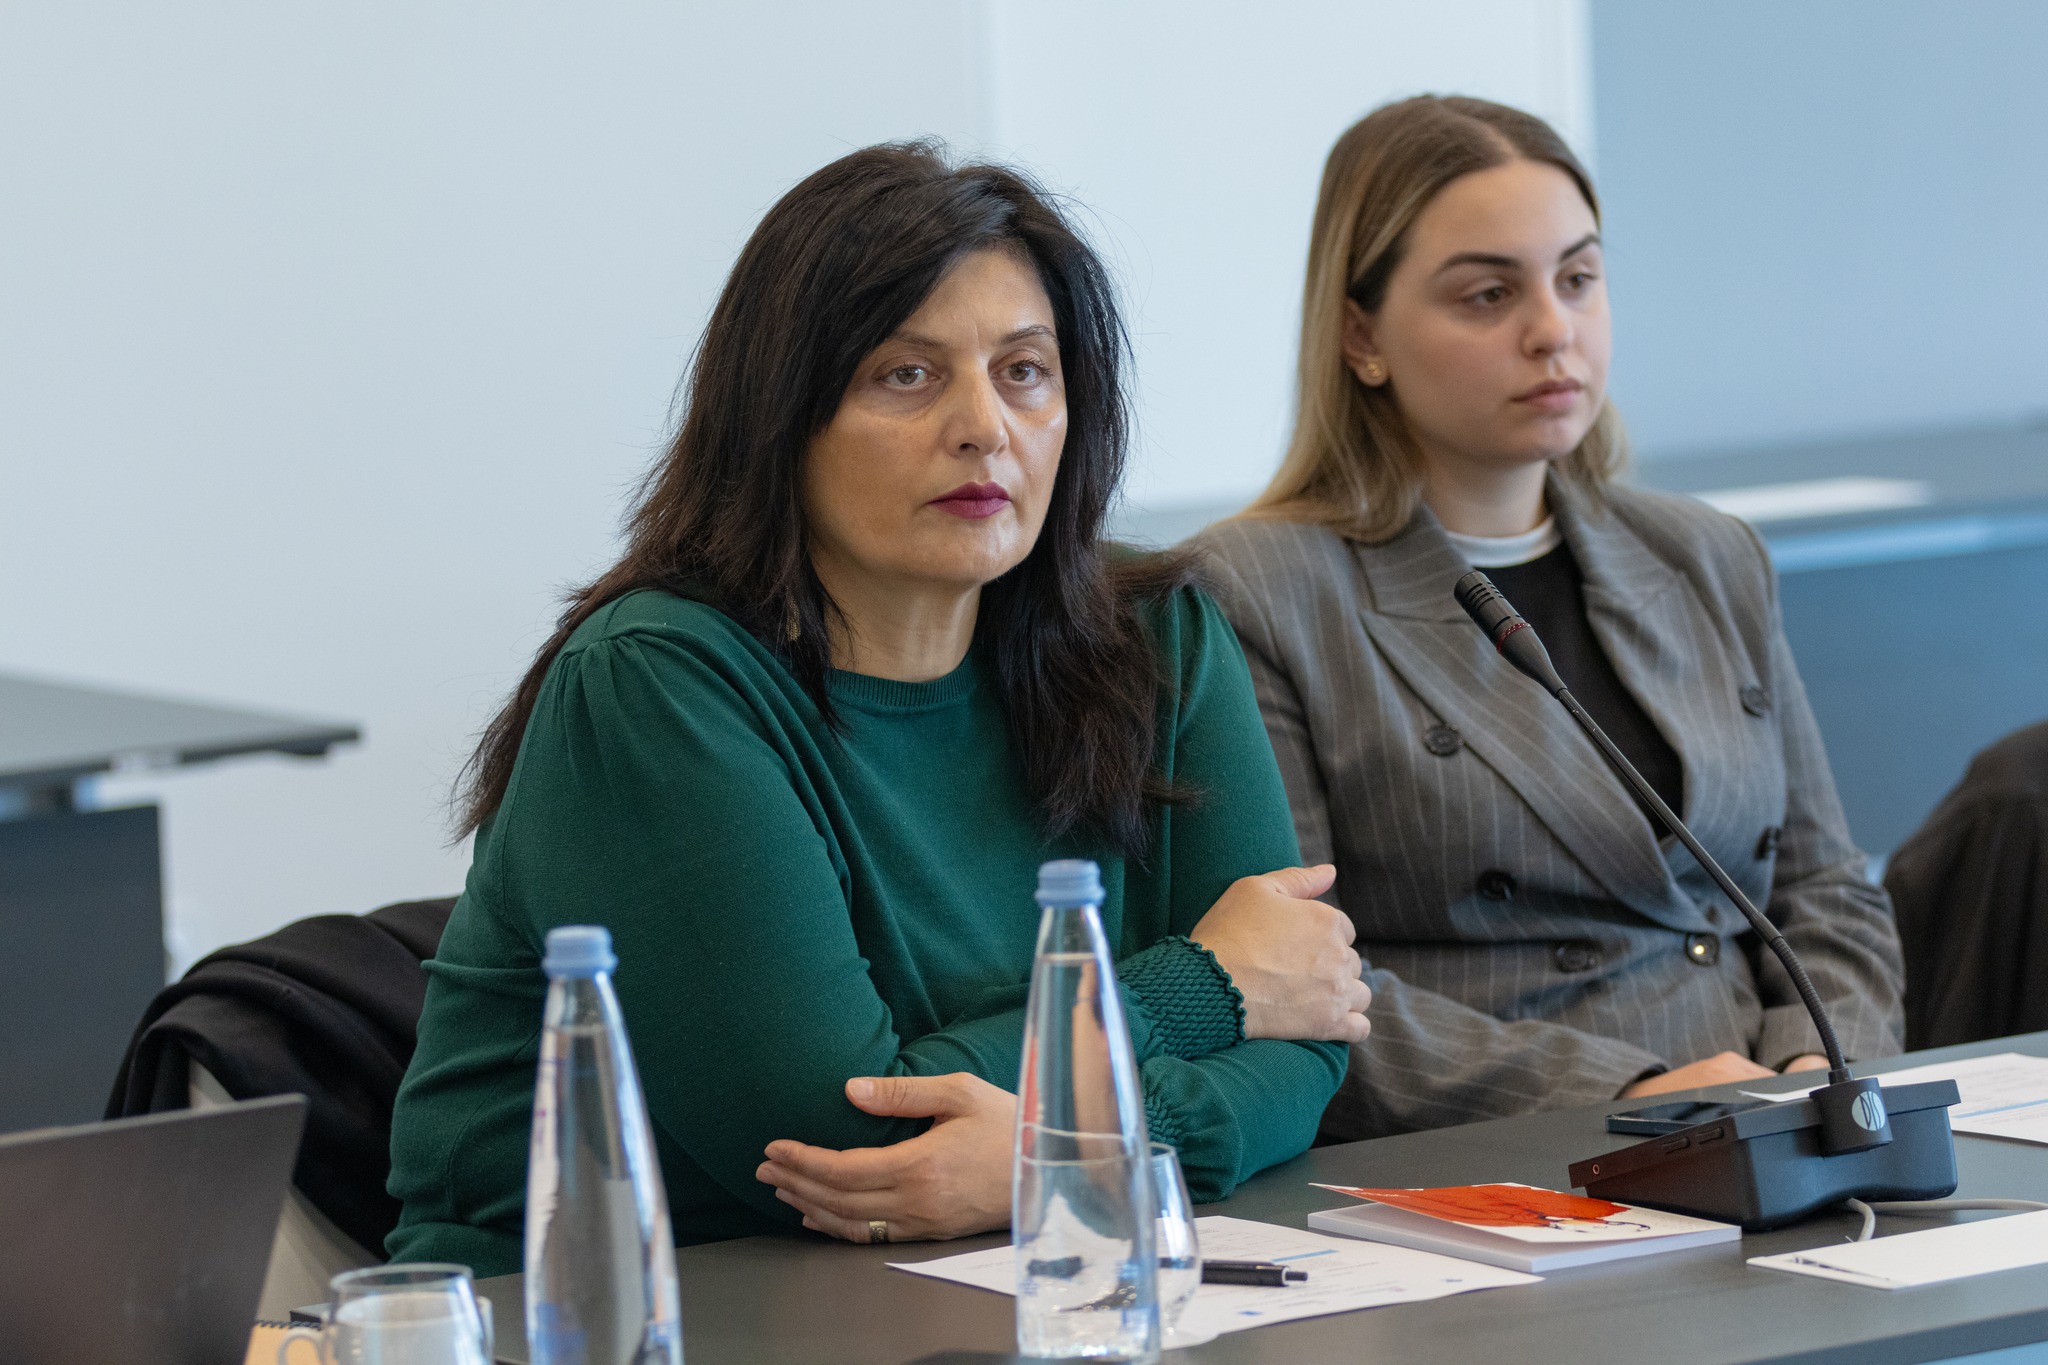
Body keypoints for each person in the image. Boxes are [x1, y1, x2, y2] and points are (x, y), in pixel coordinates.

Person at [385, 142, 1369, 1276]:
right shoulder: (656, 685)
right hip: (613, 1308)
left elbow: (1305, 1032)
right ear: (780, 418)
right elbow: (838, 1133)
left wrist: (1069, 1155)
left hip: (998, 1279)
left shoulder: (1158, 637)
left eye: (1024, 370)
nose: (984, 426)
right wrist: (1200, 991)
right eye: (906, 374)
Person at [1194, 96, 1905, 1140]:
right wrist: (1633, 1092)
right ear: (1360, 335)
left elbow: (1828, 890)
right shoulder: (1251, 588)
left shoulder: (1707, 554)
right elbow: (1291, 979)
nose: (1552, 331)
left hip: (1775, 1125)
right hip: (1512, 1153)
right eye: (1488, 294)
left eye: (1577, 279)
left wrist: (1819, 1066)